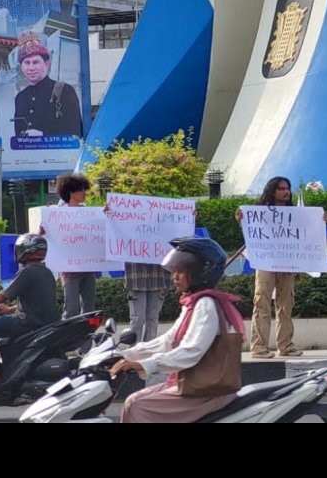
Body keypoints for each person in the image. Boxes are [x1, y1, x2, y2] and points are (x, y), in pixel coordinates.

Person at [110, 236, 245, 423]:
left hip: (209, 391)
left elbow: (191, 351)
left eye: (181, 272)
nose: (174, 277)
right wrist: (125, 355)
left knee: (137, 406)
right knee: (133, 400)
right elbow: (168, 341)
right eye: (174, 271)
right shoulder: (194, 303)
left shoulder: (206, 305)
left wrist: (146, 364)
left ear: (200, 273)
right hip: (194, 386)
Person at [235, 177, 305, 359]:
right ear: (272, 190)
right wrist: (241, 220)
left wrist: (320, 220)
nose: (286, 192)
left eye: (287, 188)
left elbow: (307, 231)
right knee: (262, 302)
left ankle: (286, 346)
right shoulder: (259, 212)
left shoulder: (295, 213)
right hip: (265, 262)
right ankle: (258, 347)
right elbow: (252, 232)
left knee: (286, 303)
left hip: (287, 261)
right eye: (281, 188)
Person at [0, 234, 60, 383]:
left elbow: (3, 296)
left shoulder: (28, 271)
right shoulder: (46, 272)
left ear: (23, 251)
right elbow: (37, 302)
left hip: (26, 322)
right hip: (42, 322)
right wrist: (9, 310)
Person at [13, 31, 82, 138]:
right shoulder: (20, 98)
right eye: (27, 63)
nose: (31, 68)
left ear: (47, 65)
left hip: (58, 153)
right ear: (22, 67)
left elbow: (77, 131)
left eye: (36, 62)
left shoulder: (64, 91)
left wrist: (44, 135)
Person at [55, 173, 96, 319]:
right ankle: (67, 340)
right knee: (71, 309)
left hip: (88, 268)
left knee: (90, 310)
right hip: (69, 270)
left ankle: (86, 340)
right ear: (71, 192)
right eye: (81, 190)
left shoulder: (90, 213)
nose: (84, 193)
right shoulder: (58, 215)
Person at [124, 262, 172, 343]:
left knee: (153, 318)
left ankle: (149, 348)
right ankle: (134, 350)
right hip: (137, 278)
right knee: (138, 318)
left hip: (157, 278)